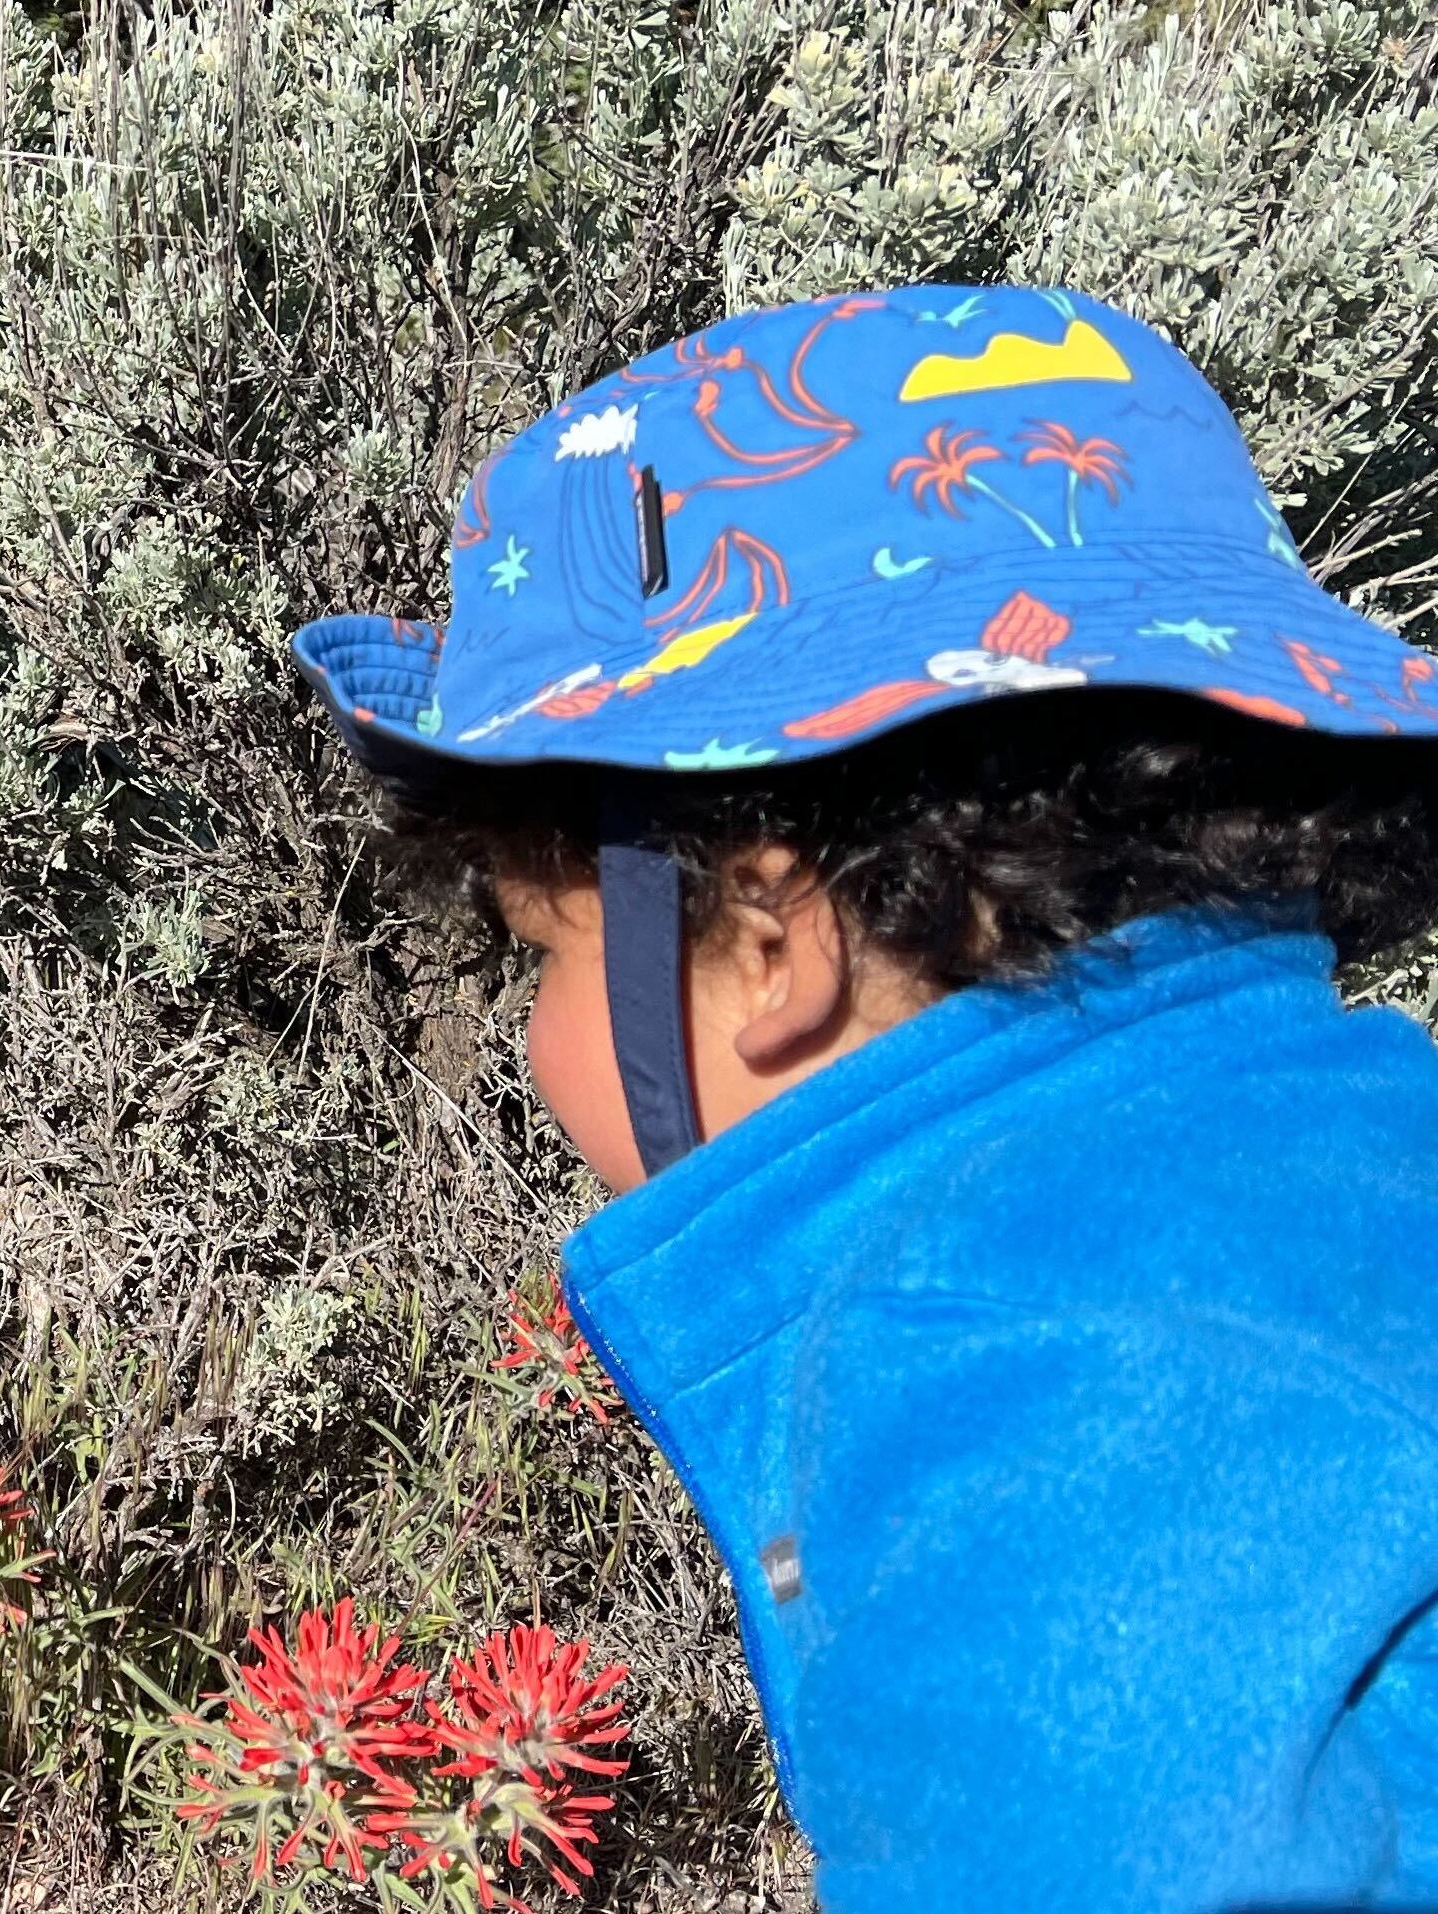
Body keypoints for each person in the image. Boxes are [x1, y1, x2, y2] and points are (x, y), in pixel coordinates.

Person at [289, 285, 1438, 1910]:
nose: (529, 1041)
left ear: (771, 936)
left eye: (532, 955)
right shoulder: (1371, 1143)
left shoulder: (991, 1378)